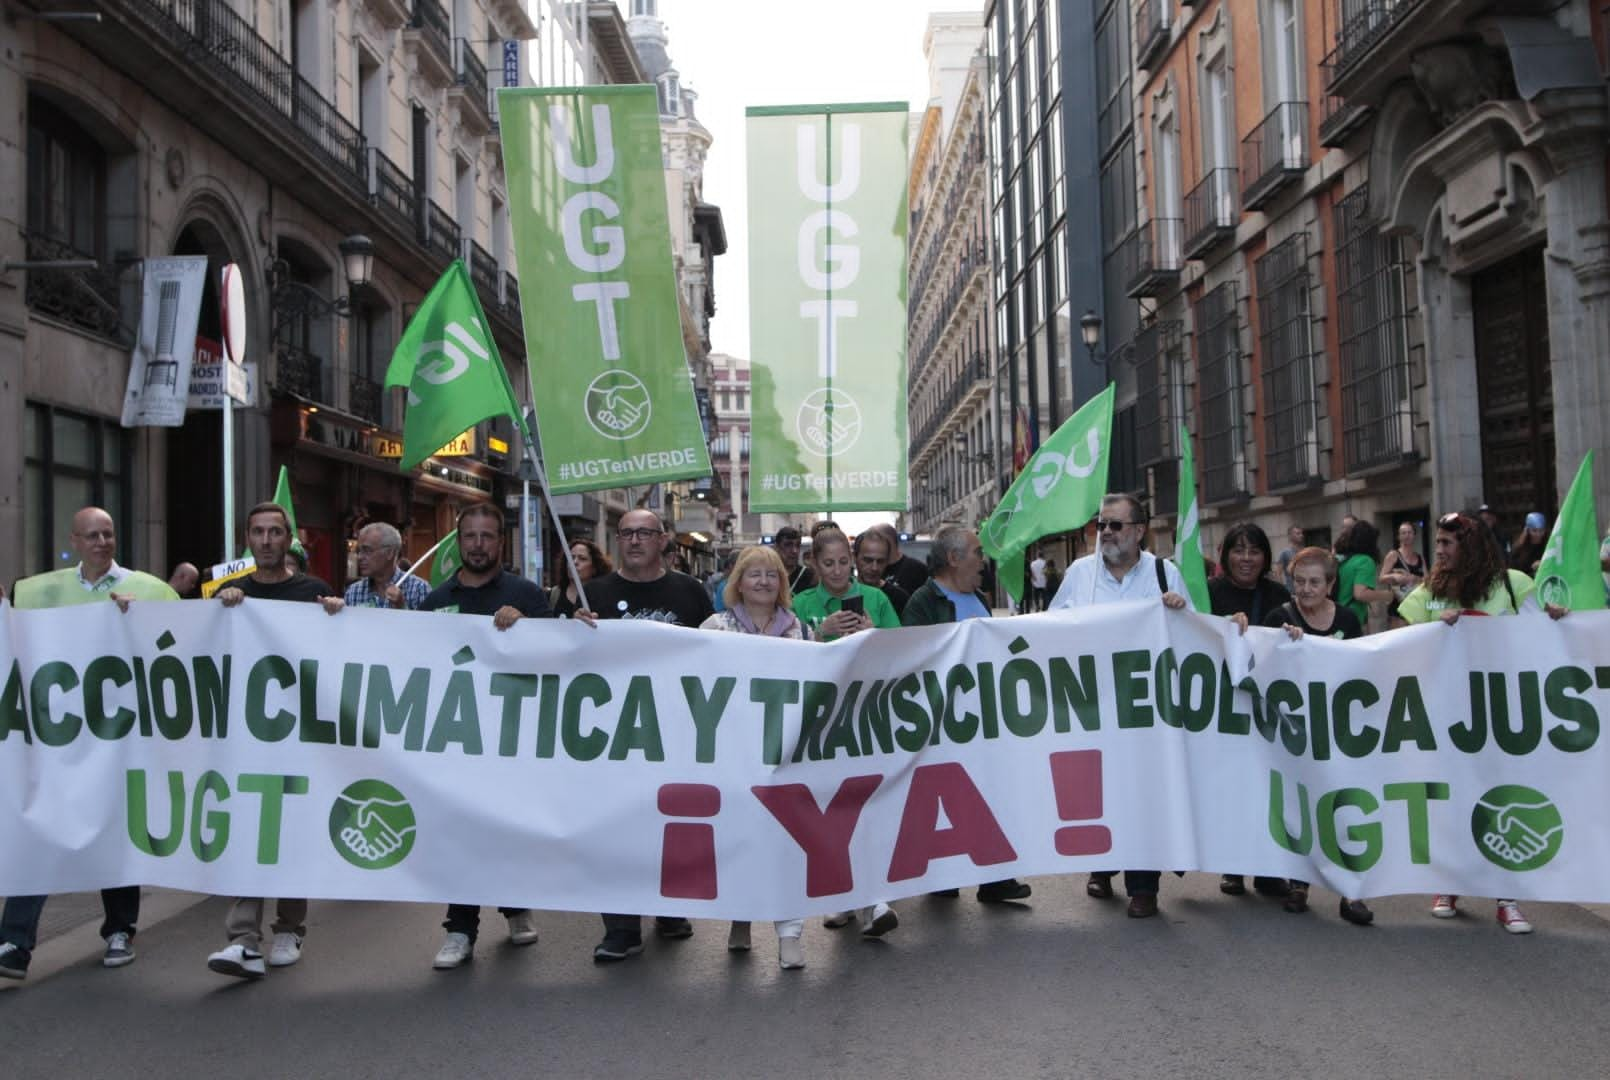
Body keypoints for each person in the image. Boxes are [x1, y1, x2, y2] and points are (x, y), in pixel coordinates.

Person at [0, 507, 179, 982]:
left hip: (120, 737)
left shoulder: (149, 590)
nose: (102, 542)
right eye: (92, 535)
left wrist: (139, 620)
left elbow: (176, 648)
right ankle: (15, 942)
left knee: (112, 829)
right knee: (41, 830)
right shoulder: (38, 592)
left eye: (108, 534)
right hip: (60, 739)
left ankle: (120, 929)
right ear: (74, 541)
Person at [1396, 511, 1565, 934]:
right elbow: (1397, 643)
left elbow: (1542, 634)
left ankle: (1506, 897)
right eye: (1436, 544)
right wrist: (1434, 632)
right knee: (1451, 799)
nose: (1438, 551)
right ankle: (1449, 883)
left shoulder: (1513, 585)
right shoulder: (1429, 593)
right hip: (1447, 718)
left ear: (1471, 547)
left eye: (1447, 544)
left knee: (1501, 800)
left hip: (1501, 716)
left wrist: (1559, 619)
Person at [206, 500, 345, 979]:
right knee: (250, 828)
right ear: (247, 538)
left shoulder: (313, 591)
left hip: (300, 736)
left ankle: (290, 926)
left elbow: (337, 655)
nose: (266, 541)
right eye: (258, 532)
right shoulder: (229, 593)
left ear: (289, 541)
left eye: (275, 533)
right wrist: (217, 612)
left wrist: (334, 615)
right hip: (247, 736)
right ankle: (243, 937)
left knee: (290, 829)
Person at [421, 504, 558, 969]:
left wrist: (525, 627)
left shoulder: (527, 595)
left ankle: (515, 905)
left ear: (502, 542)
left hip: (512, 736)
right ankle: (460, 928)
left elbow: (554, 659)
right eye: (470, 536)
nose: (478, 544)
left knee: (504, 830)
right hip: (457, 739)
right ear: (459, 542)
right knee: (462, 833)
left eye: (488, 536)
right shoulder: (436, 602)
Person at [581, 509, 714, 961]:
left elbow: (718, 656)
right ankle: (621, 927)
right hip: (610, 736)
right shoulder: (590, 593)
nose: (634, 540)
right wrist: (571, 628)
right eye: (626, 533)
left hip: (676, 730)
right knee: (615, 829)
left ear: (664, 540)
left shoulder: (691, 592)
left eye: (644, 533)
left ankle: (670, 908)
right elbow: (558, 657)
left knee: (669, 822)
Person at [1048, 493, 1188, 918]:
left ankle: (1144, 886)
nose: (1105, 532)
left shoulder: (1166, 573)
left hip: (1147, 712)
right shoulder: (1080, 574)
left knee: (1144, 793)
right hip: (1094, 709)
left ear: (1140, 531)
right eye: (1101, 524)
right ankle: (1102, 866)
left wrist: (1178, 613)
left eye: (1115, 525)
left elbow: (1194, 638)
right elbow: (1050, 630)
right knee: (1101, 791)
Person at [903, 524, 1033, 905]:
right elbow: (915, 658)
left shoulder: (976, 596)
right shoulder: (923, 602)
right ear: (954, 558)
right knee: (946, 797)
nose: (983, 560)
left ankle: (996, 879)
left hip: (983, 717)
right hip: (943, 718)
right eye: (977, 552)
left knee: (991, 793)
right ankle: (944, 874)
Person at [698, 545, 813, 969]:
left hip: (784, 756)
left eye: (771, 574)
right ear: (738, 583)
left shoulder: (799, 630)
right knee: (740, 840)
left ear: (782, 583)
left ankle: (790, 933)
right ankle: (740, 918)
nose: (763, 582)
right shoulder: (715, 626)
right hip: (733, 756)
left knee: (786, 842)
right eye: (754, 574)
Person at [1261, 547, 1374, 926]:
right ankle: (1299, 883)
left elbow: (1361, 668)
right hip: (1295, 733)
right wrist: (1281, 642)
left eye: (1315, 582)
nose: (1306, 589)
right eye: (1299, 582)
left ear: (1330, 584)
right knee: (1300, 805)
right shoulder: (1279, 617)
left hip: (1339, 730)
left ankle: (1351, 892)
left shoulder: (1347, 619)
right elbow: (1261, 665)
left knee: (1345, 808)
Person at [1205, 523, 1292, 900]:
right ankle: (1233, 867)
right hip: (1221, 703)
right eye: (1238, 550)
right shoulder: (1207, 593)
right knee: (1232, 785)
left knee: (1267, 785)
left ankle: (1268, 868)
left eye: (1253, 551)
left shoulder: (1278, 594)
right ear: (1225, 556)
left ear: (1265, 557)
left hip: (1266, 702)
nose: (1246, 559)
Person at [794, 522, 900, 639]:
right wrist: (820, 632)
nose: (837, 571)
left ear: (852, 559)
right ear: (815, 564)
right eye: (828, 564)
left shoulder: (877, 598)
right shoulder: (799, 604)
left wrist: (872, 636)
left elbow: (898, 649)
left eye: (843, 562)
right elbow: (790, 653)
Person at [343, 522, 429, 610]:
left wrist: (402, 607)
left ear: (390, 553)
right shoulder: (353, 592)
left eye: (367, 550)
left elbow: (427, 623)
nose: (360, 557)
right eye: (359, 551)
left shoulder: (418, 589)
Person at [1333, 520, 1395, 631]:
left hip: (1336, 616)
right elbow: (1360, 594)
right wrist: (1386, 595)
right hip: (1350, 619)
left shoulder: (1344, 559)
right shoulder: (1365, 561)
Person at [852, 529, 910, 616]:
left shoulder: (900, 599)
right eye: (868, 560)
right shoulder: (841, 593)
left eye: (880, 561)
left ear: (888, 561)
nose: (874, 568)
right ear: (854, 558)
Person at [551, 537, 611, 617]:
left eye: (582, 559)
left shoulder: (604, 597)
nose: (575, 562)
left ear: (594, 568)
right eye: (571, 558)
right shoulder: (554, 595)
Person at [871, 523, 931, 597]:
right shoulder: (874, 569)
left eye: (874, 541)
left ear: (888, 542)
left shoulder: (917, 569)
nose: (871, 546)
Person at [1379, 521, 1427, 602]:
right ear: (1399, 536)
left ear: (1414, 535)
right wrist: (1394, 576)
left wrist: (1414, 578)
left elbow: (1427, 581)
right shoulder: (1393, 555)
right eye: (1403, 533)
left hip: (1416, 604)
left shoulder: (1420, 557)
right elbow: (1381, 578)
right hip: (1397, 604)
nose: (1407, 535)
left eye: (1409, 532)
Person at [772, 525, 817, 594]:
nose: (794, 551)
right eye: (788, 545)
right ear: (777, 547)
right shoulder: (770, 575)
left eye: (798, 545)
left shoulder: (809, 576)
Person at [1275, 525, 1304, 590]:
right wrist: (1283, 589)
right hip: (1291, 592)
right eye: (1298, 533)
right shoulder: (1285, 553)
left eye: (1301, 533)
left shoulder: (1305, 552)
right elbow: (1278, 573)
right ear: (1290, 536)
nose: (1301, 535)